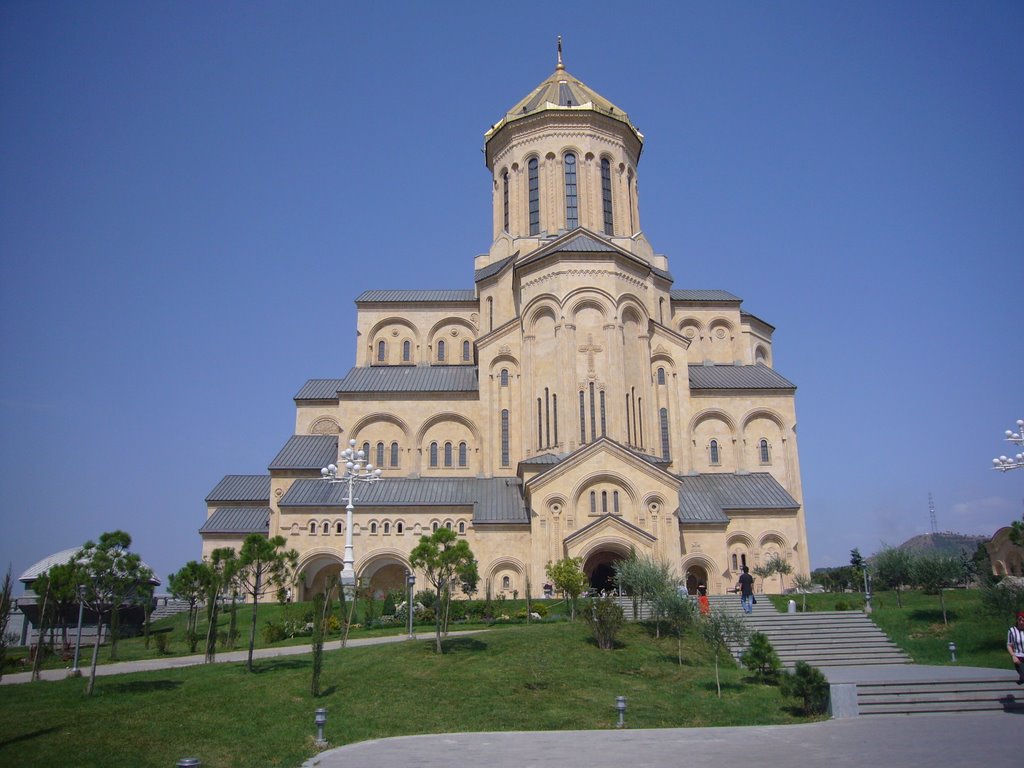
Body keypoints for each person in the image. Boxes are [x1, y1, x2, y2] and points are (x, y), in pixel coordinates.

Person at [1008, 611, 1024, 685]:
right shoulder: (1012, 631)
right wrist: (1013, 656)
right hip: (1018, 657)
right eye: (1019, 620)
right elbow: (1009, 645)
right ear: (1017, 620)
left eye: (1023, 620)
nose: (1021, 622)